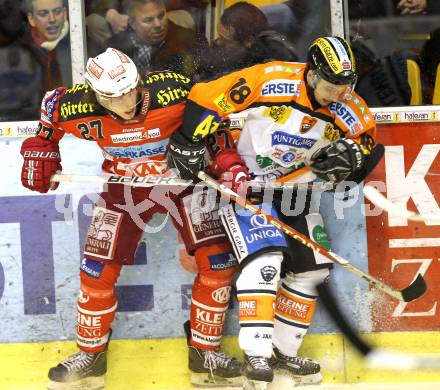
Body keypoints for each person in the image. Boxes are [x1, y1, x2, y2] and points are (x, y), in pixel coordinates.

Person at [19, 48, 243, 389]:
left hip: (182, 183)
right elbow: (51, 107)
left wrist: (225, 159)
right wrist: (43, 144)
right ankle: (90, 357)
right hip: (124, 189)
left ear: (139, 81)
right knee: (95, 271)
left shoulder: (174, 91)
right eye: (112, 97)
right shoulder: (76, 106)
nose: (126, 103)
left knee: (218, 263)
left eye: (130, 91)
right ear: (96, 95)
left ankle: (205, 355)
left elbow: (214, 118)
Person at [168, 36, 380, 388]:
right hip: (247, 187)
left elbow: (366, 140)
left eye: (346, 87)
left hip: (298, 193)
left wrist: (354, 158)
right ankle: (257, 356)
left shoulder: (349, 104)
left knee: (313, 271)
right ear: (311, 75)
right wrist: (189, 139)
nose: (338, 95)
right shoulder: (271, 79)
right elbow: (207, 98)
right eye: (331, 86)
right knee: (265, 263)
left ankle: (283, 352)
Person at [102, 0, 208, 77]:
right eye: (148, 20)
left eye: (161, 16)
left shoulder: (191, 42)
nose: (158, 24)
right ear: (132, 23)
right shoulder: (113, 49)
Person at [198, 1, 298, 80]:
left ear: (248, 41)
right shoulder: (224, 52)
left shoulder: (271, 68)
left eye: (225, 41)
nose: (218, 42)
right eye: (219, 35)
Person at [21, 0, 71, 95]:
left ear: (65, 14)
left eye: (57, 12)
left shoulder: (83, 45)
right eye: (43, 14)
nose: (52, 19)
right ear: (31, 19)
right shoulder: (23, 50)